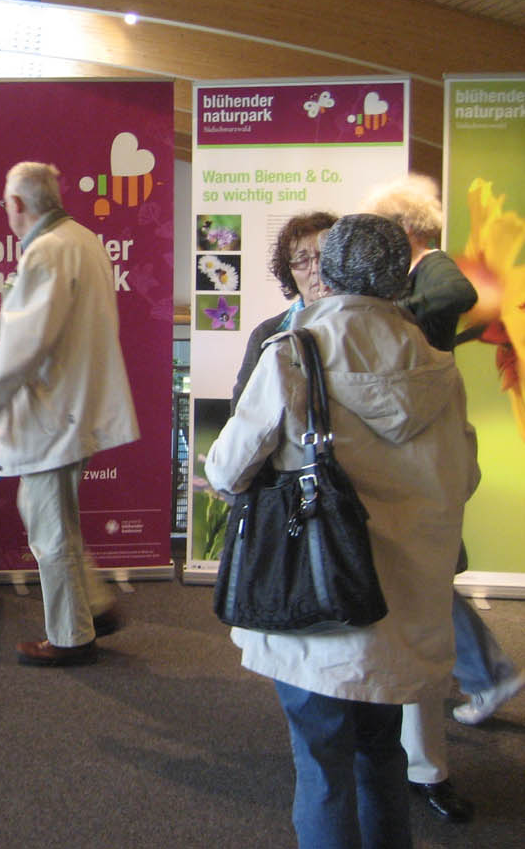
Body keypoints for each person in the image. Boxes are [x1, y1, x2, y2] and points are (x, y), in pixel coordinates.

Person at [205, 214, 480, 849]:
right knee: (381, 755)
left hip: (317, 602)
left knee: (322, 766)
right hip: (402, 604)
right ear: (398, 276)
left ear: (329, 271)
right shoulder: (439, 368)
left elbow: (226, 468)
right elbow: (464, 477)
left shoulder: (294, 353)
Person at [362, 173, 524, 823]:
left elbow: (457, 294)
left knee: (421, 593)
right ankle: (474, 684)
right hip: (420, 430)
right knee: (422, 591)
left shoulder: (434, 270)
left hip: (423, 432)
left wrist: (391, 316)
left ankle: (479, 683)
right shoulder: (419, 276)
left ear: (405, 231)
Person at [0, 162, 139, 666]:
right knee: (57, 519)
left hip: (50, 414)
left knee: (49, 529)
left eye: (5, 204)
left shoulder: (46, 252)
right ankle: (94, 606)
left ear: (17, 204)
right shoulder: (83, 239)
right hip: (73, 407)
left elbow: (22, 349)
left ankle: (70, 638)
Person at [231, 211, 338, 408]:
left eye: (324, 257)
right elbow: (243, 409)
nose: (316, 269)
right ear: (289, 271)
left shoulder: (362, 324)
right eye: (303, 260)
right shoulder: (268, 333)